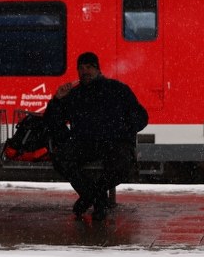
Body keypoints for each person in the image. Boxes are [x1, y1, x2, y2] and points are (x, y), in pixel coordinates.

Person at [44, 52, 148, 221]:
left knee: (122, 165)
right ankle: (98, 198)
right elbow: (52, 121)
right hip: (85, 144)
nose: (84, 71)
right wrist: (57, 99)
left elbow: (141, 117)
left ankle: (90, 196)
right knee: (61, 158)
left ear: (98, 69)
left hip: (114, 143)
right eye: (81, 68)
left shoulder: (117, 90)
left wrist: (123, 134)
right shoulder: (74, 95)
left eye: (89, 67)